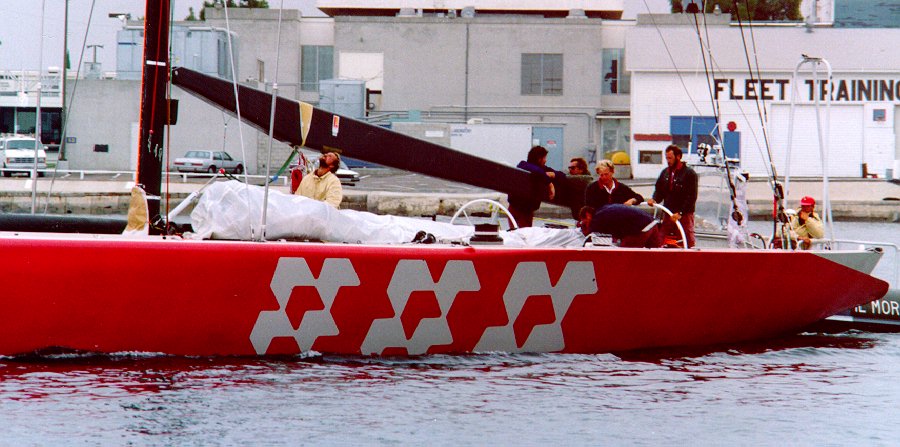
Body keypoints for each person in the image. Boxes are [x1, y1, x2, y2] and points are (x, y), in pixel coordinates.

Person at [647, 145, 698, 247]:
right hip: (668, 214)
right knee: (661, 239)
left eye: (670, 158)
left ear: (678, 157)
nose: (668, 161)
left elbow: (691, 197)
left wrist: (680, 213)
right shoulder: (665, 173)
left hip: (684, 215)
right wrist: (654, 199)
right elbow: (659, 190)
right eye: (666, 158)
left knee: (686, 240)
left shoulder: (689, 174)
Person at [507, 146, 565, 228]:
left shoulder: (541, 170)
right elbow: (534, 170)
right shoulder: (523, 165)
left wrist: (554, 174)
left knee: (521, 235)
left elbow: (562, 175)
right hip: (518, 208)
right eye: (544, 158)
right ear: (539, 158)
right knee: (524, 235)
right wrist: (549, 184)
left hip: (526, 209)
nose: (546, 160)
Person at [589, 204, 663, 248]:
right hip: (652, 221)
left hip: (641, 227)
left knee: (625, 256)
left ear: (587, 215)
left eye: (584, 222)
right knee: (657, 255)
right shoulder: (605, 209)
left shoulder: (597, 219)